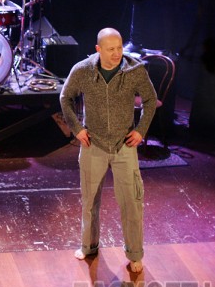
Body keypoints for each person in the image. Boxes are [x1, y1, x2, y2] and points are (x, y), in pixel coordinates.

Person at [59, 27, 157, 273]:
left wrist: (141, 130)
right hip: (94, 144)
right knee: (89, 201)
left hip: (125, 145)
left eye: (119, 47)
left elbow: (150, 99)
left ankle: (135, 254)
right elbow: (65, 97)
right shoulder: (83, 70)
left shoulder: (135, 70)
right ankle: (88, 246)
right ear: (98, 49)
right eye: (111, 49)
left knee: (132, 202)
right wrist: (77, 129)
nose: (117, 53)